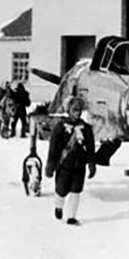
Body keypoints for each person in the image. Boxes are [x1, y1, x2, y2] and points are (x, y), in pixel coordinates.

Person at [45, 97, 96, 226]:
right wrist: (51, 164)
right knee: (61, 190)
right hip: (64, 164)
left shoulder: (86, 128)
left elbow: (90, 147)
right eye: (74, 110)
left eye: (79, 110)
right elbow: (53, 146)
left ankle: (71, 216)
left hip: (80, 164)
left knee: (76, 190)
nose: (77, 113)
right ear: (69, 110)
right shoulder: (60, 127)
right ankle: (59, 206)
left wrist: (91, 163)